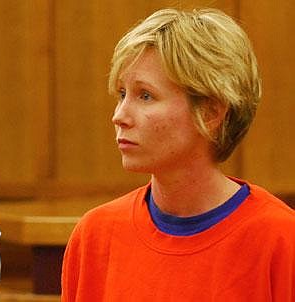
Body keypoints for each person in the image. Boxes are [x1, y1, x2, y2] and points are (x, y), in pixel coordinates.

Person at [61, 8, 295, 301]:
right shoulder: (94, 236)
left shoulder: (282, 241)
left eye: (145, 95)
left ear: (210, 113)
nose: (119, 116)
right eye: (122, 94)